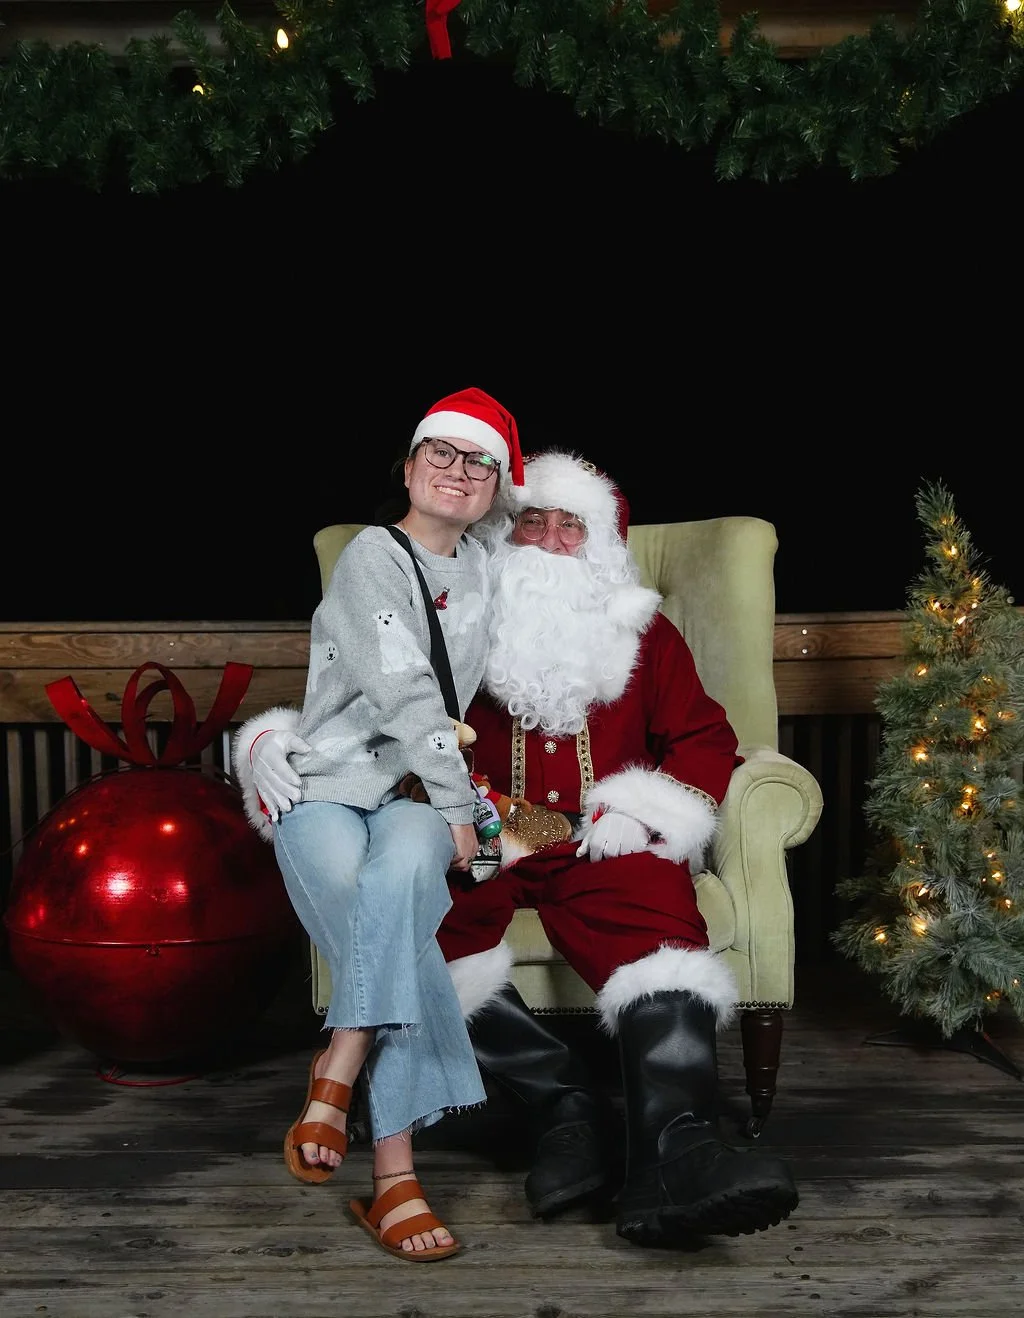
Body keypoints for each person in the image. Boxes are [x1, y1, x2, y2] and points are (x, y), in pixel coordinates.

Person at [237, 446, 799, 1250]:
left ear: (599, 545)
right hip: (474, 834)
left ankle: (679, 1152)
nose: (547, 539)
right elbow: (360, 700)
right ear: (503, 529)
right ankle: (565, 1107)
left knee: (660, 928)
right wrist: (278, 742)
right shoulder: (448, 616)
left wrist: (646, 815)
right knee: (422, 934)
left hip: (601, 841)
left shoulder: (644, 636)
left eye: (571, 526)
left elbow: (706, 739)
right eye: (530, 520)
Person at [232, 386, 525, 1263]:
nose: (458, 471)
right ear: (407, 468)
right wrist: (454, 805)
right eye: (441, 452)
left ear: (496, 489)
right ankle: (394, 1176)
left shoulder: (487, 566)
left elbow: (571, 555)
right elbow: (402, 689)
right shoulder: (370, 555)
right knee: (386, 914)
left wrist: (447, 804)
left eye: (479, 462)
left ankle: (341, 1064)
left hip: (411, 799)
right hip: (328, 782)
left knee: (397, 882)